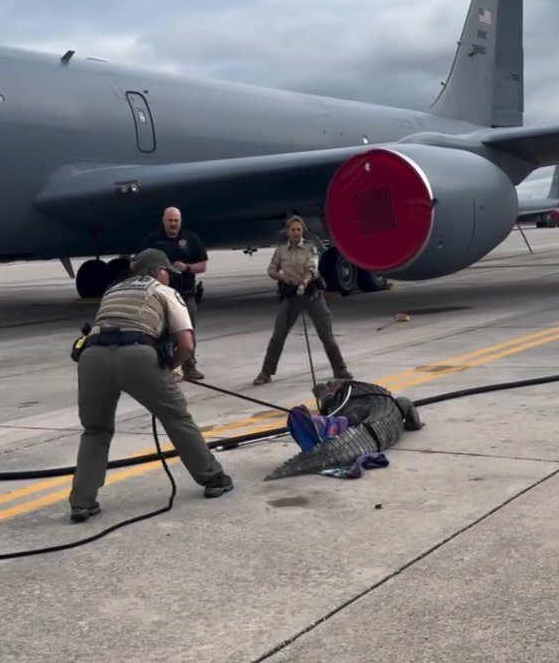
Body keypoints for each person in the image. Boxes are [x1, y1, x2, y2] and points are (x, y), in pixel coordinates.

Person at [68, 248, 233, 523]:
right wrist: (170, 367)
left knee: (95, 430)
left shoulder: (113, 291)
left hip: (93, 358)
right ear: (158, 271)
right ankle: (213, 477)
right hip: (137, 357)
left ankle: (82, 502)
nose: (169, 276)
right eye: (167, 271)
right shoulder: (163, 291)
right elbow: (187, 344)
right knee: (177, 417)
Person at [254, 216, 352, 385]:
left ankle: (340, 369)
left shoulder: (310, 248)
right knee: (278, 336)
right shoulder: (281, 251)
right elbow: (271, 269)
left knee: (326, 335)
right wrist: (281, 277)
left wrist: (304, 283)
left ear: (302, 230)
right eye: (293, 229)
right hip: (291, 296)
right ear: (287, 231)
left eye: (298, 229)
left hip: (312, 295)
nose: (296, 232)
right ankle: (266, 372)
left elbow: (312, 269)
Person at [140, 207, 208, 381]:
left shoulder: (191, 239)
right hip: (160, 296)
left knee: (187, 330)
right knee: (160, 332)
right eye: (170, 220)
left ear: (180, 221)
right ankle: (163, 367)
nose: (173, 224)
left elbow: (203, 265)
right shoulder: (153, 240)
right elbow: (139, 263)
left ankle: (190, 367)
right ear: (163, 221)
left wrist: (187, 267)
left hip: (185, 295)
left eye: (176, 220)